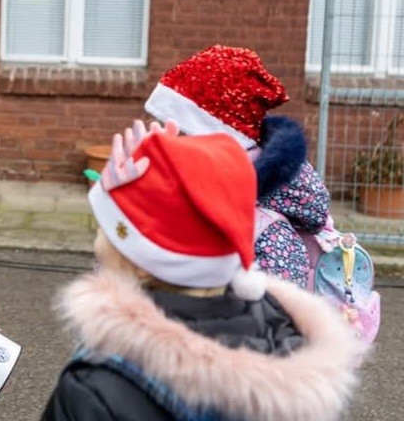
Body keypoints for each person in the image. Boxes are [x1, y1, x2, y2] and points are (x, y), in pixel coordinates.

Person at [41, 121, 367, 421]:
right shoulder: (288, 342)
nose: (98, 238)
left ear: (138, 263)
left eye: (106, 228)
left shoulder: (92, 390)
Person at [143, 44, 330, 286]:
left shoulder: (266, 232)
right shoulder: (185, 190)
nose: (155, 135)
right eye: (155, 122)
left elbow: (279, 312)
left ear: (210, 138)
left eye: (172, 128)